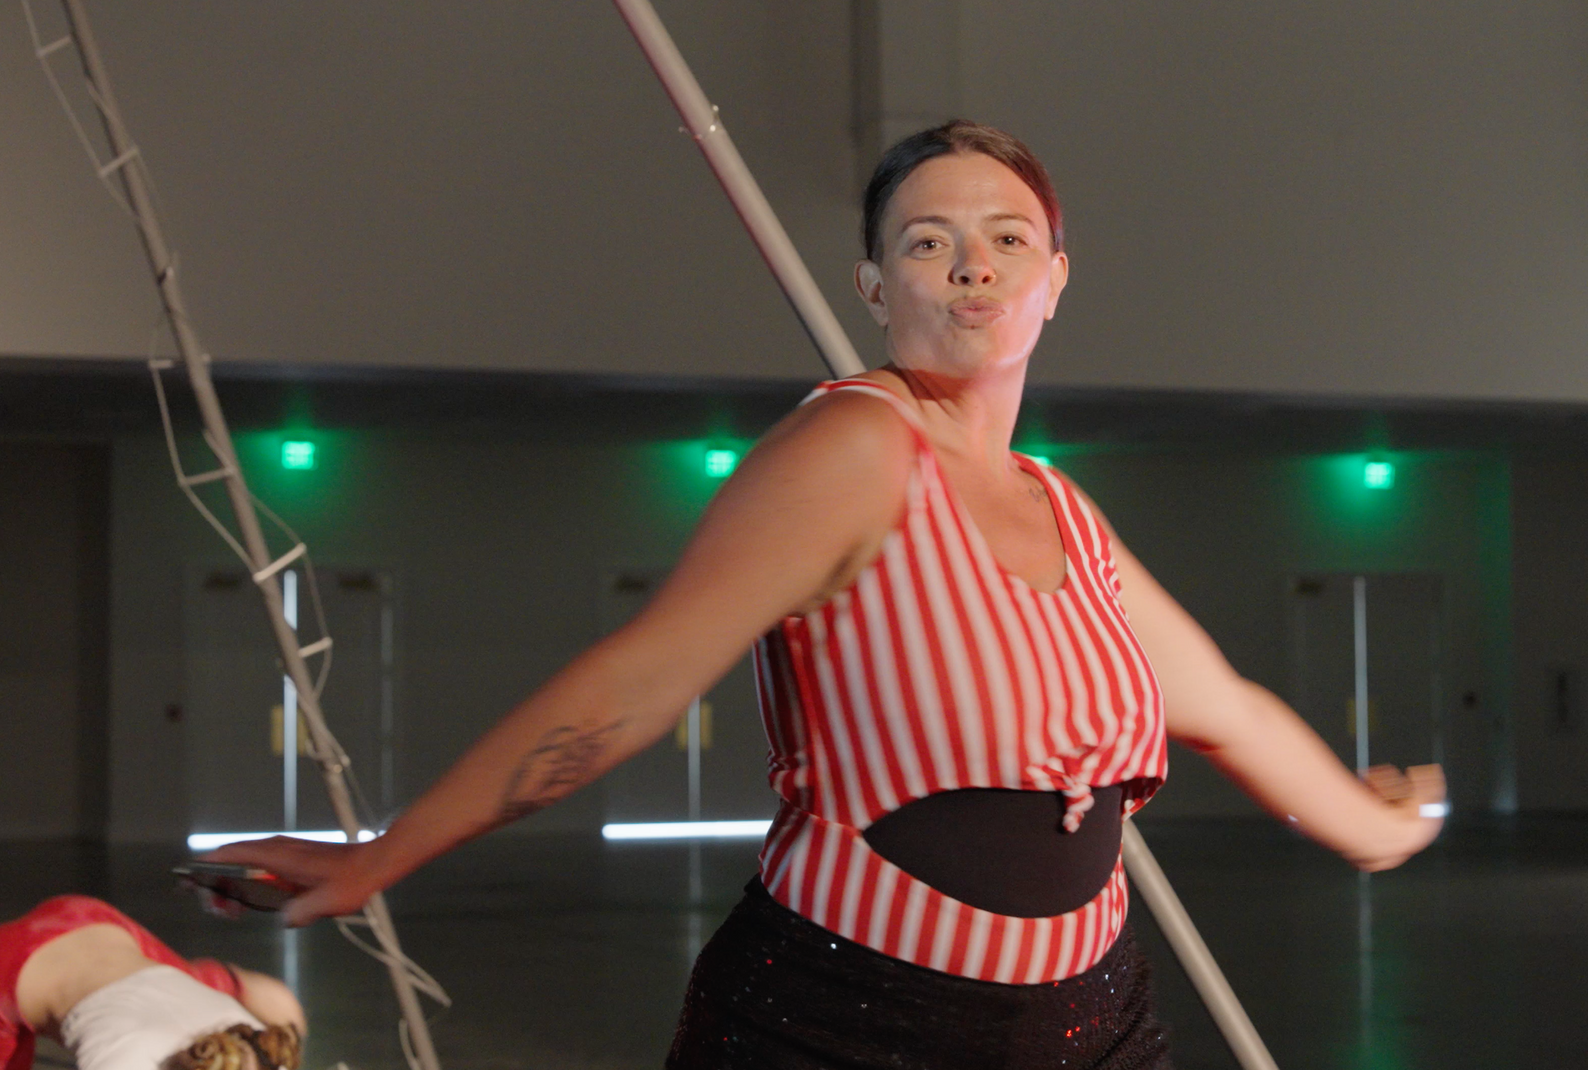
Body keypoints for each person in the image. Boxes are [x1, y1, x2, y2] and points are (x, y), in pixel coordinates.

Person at [210, 120, 1444, 1067]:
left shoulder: (1065, 510)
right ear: (873, 288)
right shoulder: (854, 450)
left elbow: (1221, 703)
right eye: (927, 239)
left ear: (1056, 277)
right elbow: (639, 679)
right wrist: (387, 854)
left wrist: (1380, 825)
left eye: (1008, 236)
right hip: (851, 1015)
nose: (972, 265)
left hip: (1091, 1019)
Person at [0, 895, 304, 1070]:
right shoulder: (123, 1062)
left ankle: (228, 982)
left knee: (192, 983)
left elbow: (281, 1004)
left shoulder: (262, 1050)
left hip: (93, 921)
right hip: (12, 969)